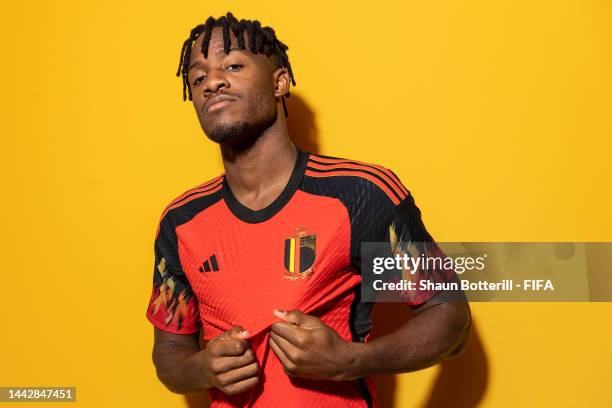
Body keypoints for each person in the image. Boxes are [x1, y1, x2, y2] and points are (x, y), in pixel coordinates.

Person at [146, 12, 471, 408]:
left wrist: (351, 361)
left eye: (232, 66)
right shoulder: (181, 221)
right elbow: (169, 351)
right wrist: (201, 369)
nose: (212, 83)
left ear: (279, 81)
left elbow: (449, 317)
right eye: (198, 78)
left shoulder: (359, 194)